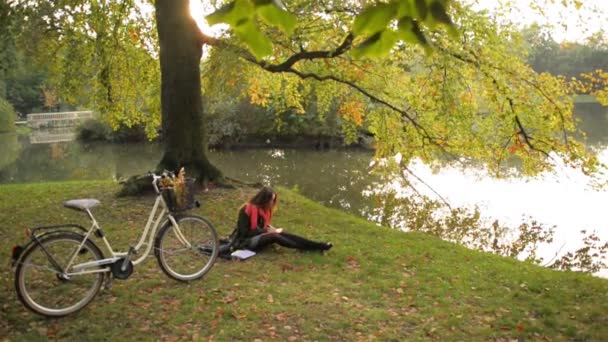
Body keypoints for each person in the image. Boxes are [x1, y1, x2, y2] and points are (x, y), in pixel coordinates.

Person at [230, 187, 333, 252]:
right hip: (245, 241)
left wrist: (268, 229)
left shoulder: (264, 211)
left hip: (259, 236)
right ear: (263, 200)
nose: (272, 203)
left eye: (273, 200)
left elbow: (262, 226)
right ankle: (308, 248)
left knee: (284, 233)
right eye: (271, 200)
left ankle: (318, 245)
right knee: (274, 236)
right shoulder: (246, 210)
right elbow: (244, 233)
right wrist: (266, 231)